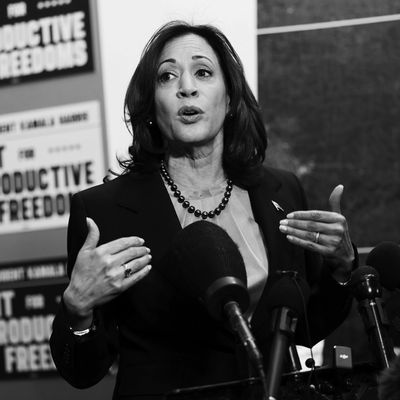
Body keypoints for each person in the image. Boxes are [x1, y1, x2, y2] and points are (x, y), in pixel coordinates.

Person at [50, 20, 357, 399]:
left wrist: (342, 269)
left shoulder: (281, 191)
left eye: (203, 72)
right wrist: (76, 309)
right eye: (167, 77)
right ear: (151, 105)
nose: (186, 87)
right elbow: (82, 372)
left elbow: (306, 326)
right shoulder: (103, 211)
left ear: (229, 99)